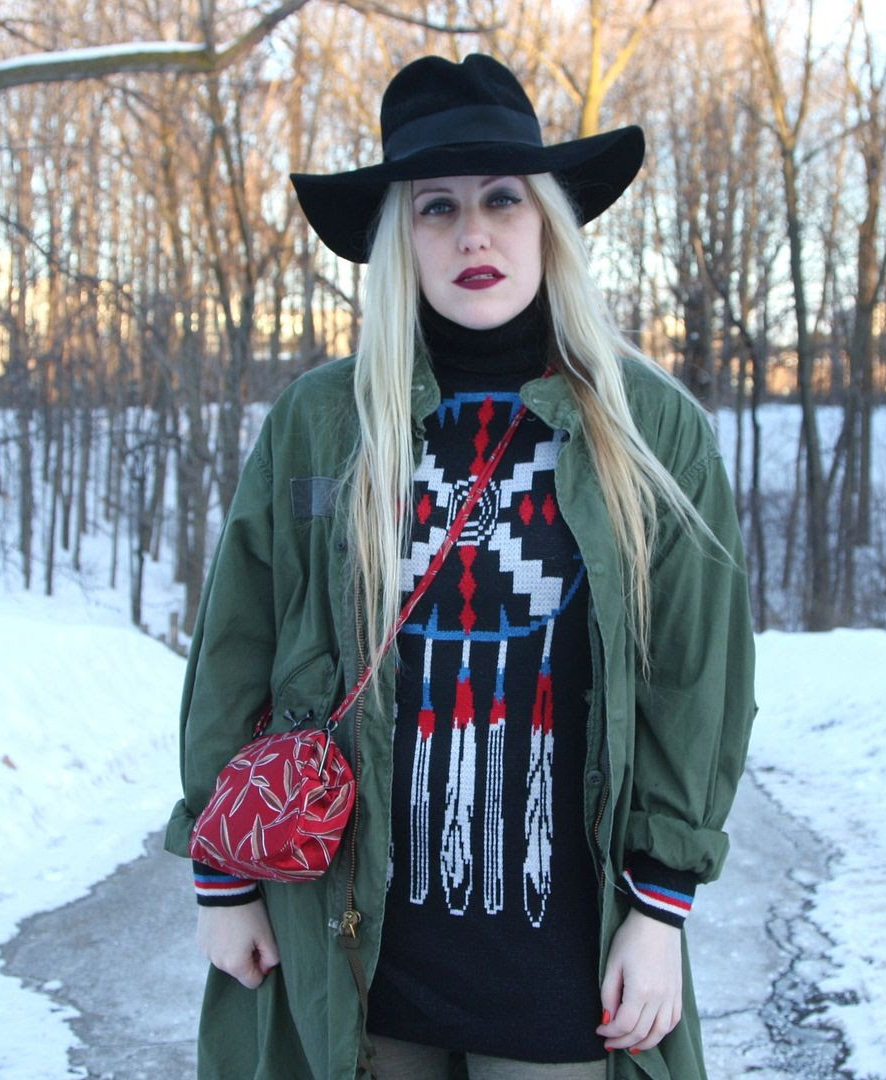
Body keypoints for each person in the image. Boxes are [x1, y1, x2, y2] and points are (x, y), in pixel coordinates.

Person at [163, 53, 756, 1080]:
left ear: (549, 222)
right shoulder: (324, 422)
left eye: (502, 199)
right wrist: (225, 877)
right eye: (436, 207)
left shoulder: (649, 430)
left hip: (563, 955)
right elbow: (236, 648)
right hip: (355, 938)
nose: (473, 233)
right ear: (400, 240)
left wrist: (659, 908)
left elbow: (697, 682)